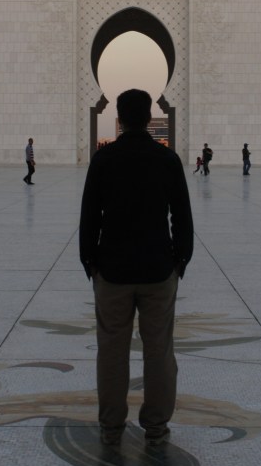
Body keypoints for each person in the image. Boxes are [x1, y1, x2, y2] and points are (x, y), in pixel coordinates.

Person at [80, 89, 194, 447]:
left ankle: (112, 428)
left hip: (112, 271)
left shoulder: (104, 159)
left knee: (111, 351)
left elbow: (89, 217)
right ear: (148, 117)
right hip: (159, 269)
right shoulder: (166, 159)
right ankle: (156, 428)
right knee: (158, 350)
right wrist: (180, 260)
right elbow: (183, 217)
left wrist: (90, 262)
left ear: (119, 117)